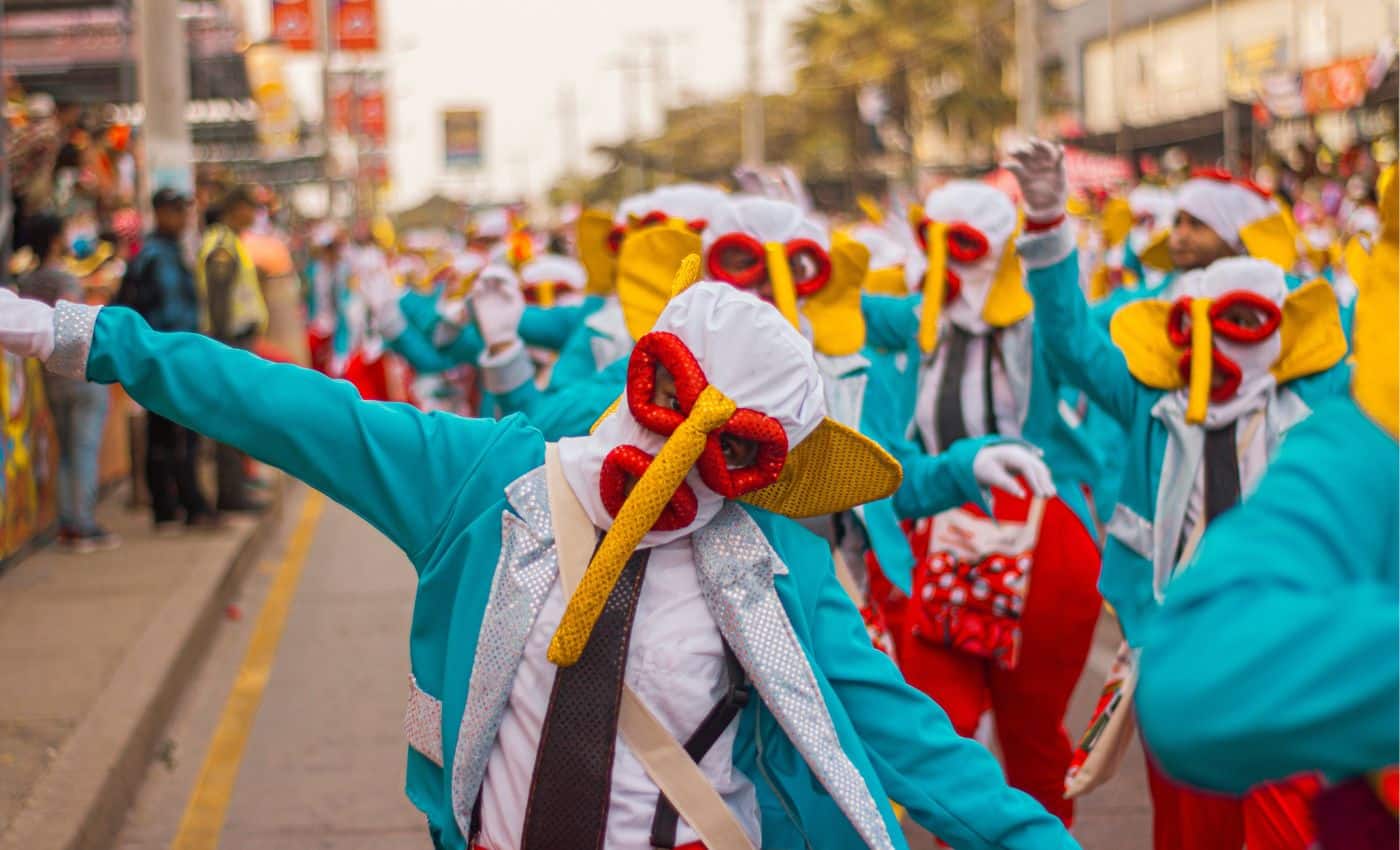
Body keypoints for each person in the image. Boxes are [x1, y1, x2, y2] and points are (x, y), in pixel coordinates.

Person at [0, 275, 1082, 850]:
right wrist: (73, 334)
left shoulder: (773, 567)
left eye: (740, 454)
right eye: (680, 418)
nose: (690, 467)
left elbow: (912, 747)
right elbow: (285, 407)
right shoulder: (482, 483)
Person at [1006, 138, 1351, 850]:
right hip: (1177, 650)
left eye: (1244, 323)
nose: (1217, 345)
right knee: (1192, 834)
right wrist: (1046, 222)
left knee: (1286, 828)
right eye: (1194, 328)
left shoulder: (1319, 400)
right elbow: (1070, 341)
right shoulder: (1148, 396)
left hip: (1286, 649)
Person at [1136, 168, 1398, 850]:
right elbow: (1192, 682)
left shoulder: (1322, 412)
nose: (1180, 236)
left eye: (1247, 322)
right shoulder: (1354, 442)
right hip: (1232, 632)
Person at [15, 213, 118, 553]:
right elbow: (76, 326)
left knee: (67, 452)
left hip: (48, 375)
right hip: (79, 373)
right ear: (57, 239)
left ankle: (67, 523)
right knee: (84, 450)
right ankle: (83, 525)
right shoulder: (64, 278)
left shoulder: (28, 282)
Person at [122, 188, 217, 532]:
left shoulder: (173, 252)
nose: (183, 218)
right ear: (160, 212)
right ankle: (177, 506)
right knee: (169, 434)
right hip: (163, 357)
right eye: (177, 210)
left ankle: (183, 505)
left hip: (180, 355)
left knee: (180, 432)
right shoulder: (151, 256)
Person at [197, 185, 269, 512]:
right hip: (230, 342)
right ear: (236, 207)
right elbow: (220, 304)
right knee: (230, 419)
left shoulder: (231, 241)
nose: (255, 214)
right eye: (251, 207)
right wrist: (226, 353)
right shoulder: (222, 245)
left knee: (238, 418)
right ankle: (232, 495)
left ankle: (237, 488)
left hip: (236, 341)